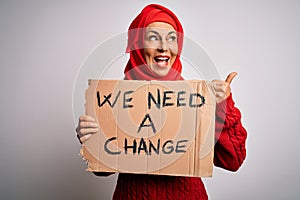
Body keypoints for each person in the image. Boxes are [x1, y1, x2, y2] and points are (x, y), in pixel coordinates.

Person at [76, 4, 247, 200]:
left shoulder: (199, 100)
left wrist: (224, 106)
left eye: (172, 38)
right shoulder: (114, 99)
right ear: (138, 44)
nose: (164, 47)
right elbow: (103, 170)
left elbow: (233, 160)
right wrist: (92, 139)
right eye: (153, 37)